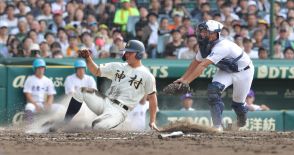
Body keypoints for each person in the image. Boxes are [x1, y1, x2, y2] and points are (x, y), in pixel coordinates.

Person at [174, 20, 254, 131]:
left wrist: (188, 81)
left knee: (238, 105)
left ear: (214, 33)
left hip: (244, 72)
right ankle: (217, 126)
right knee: (213, 91)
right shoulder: (205, 45)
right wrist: (183, 78)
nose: (202, 34)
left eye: (205, 32)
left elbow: (202, 66)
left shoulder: (222, 46)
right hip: (226, 70)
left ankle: (241, 121)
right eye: (201, 31)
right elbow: (196, 62)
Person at [63, 40, 159, 131]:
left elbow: (152, 98)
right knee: (81, 91)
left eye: (130, 52)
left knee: (97, 126)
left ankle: (115, 126)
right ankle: (65, 123)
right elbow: (96, 71)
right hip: (105, 101)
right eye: (126, 52)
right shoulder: (118, 66)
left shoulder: (147, 75)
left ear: (139, 54)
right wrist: (88, 58)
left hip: (120, 111)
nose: (127, 54)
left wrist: (152, 121)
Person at [23, 59, 62, 123]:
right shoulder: (30, 79)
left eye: (42, 68)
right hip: (34, 104)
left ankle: (55, 123)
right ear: (35, 69)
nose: (41, 69)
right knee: (28, 107)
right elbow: (28, 94)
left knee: (61, 107)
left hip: (45, 104)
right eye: (39, 68)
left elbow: (51, 95)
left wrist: (49, 104)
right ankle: (30, 125)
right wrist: (35, 105)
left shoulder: (48, 80)